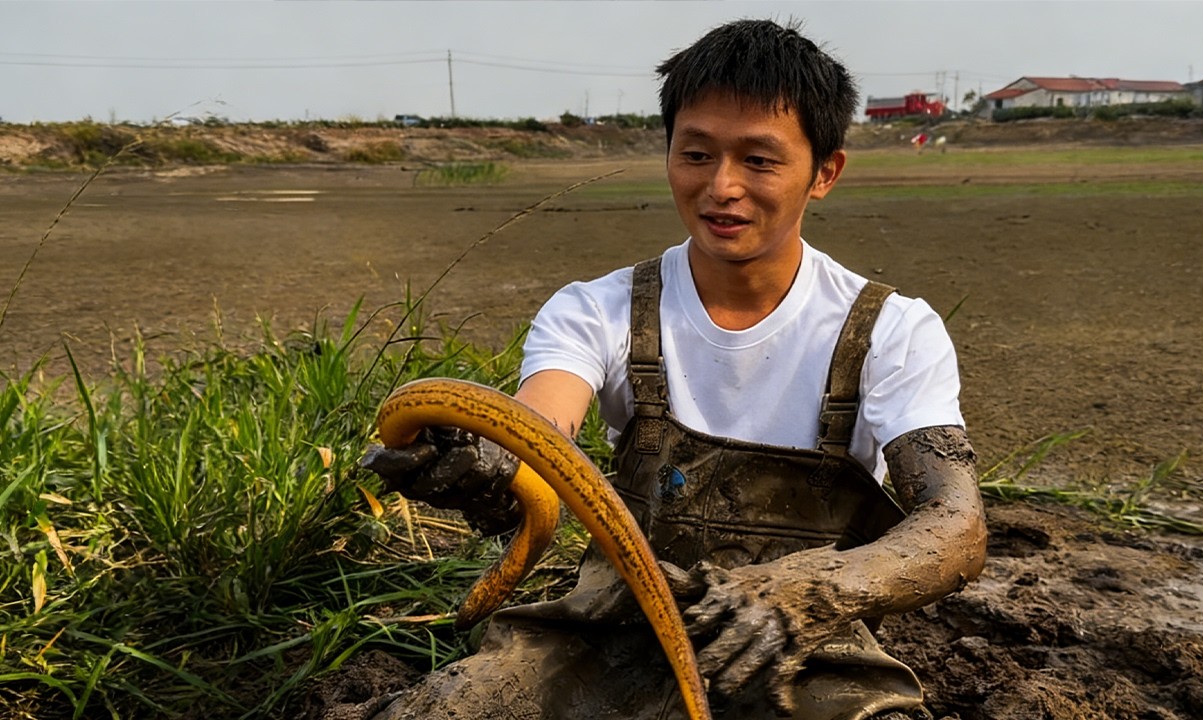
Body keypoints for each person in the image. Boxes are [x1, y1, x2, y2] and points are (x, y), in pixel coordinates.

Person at [362, 18, 986, 720]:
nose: (721, 187)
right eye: (696, 154)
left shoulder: (892, 332)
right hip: (609, 632)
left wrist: (813, 592)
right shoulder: (596, 311)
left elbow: (955, 522)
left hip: (803, 649)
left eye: (758, 160)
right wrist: (489, 464)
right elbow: (541, 431)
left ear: (825, 173)